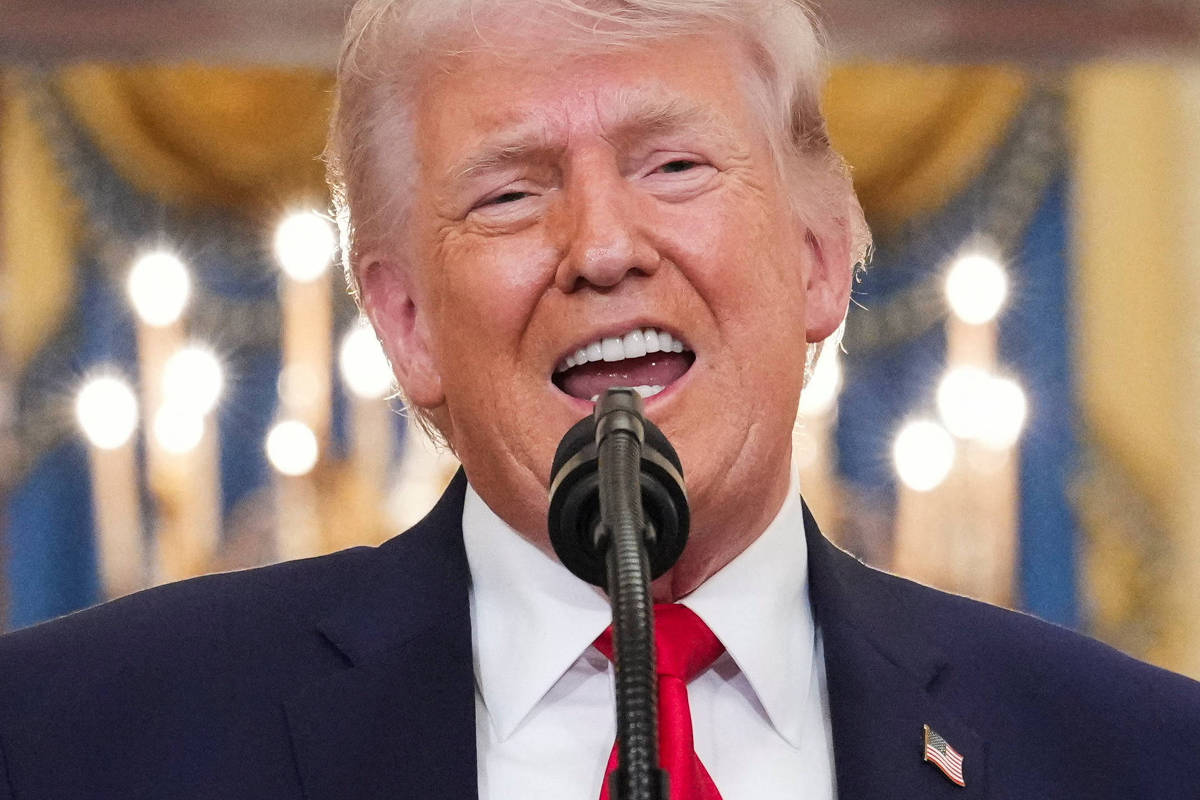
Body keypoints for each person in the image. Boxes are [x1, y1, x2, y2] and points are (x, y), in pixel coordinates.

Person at [1, 1, 1198, 798]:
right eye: (512, 194)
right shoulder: (76, 737)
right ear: (406, 323)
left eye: (673, 165)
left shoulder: (1140, 756)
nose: (605, 246)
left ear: (821, 254)